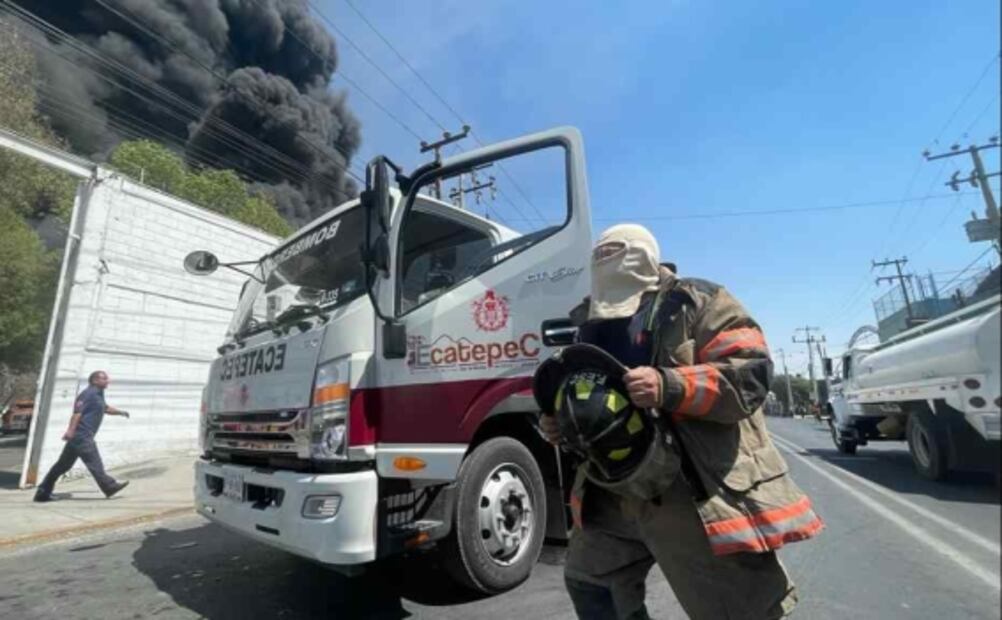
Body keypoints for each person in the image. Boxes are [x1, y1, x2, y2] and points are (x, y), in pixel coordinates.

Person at [538, 224, 822, 620]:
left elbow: (751, 376)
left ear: (647, 262)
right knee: (592, 585)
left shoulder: (700, 301)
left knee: (737, 611)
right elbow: (583, 394)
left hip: (689, 489)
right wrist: (561, 424)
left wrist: (668, 385)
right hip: (612, 489)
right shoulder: (589, 320)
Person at [34, 370, 131, 502]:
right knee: (95, 463)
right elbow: (77, 414)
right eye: (104, 379)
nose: (107, 381)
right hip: (82, 435)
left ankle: (43, 492)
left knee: (62, 466)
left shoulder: (98, 394)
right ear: (95, 380)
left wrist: (121, 412)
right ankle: (109, 486)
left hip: (79, 437)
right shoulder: (87, 394)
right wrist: (70, 431)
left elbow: (105, 408)